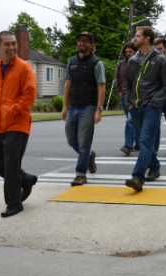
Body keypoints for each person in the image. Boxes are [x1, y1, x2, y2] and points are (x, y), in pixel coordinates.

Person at [0, 30, 38, 218]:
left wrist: (12, 111)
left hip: (18, 123)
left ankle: (14, 203)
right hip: (0, 123)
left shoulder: (24, 68)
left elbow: (29, 95)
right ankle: (25, 179)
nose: (11, 47)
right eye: (7, 44)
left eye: (14, 43)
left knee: (10, 166)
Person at [123, 26, 166, 191]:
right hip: (135, 107)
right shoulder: (132, 61)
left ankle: (137, 177)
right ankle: (155, 167)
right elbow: (127, 84)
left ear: (146, 39)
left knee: (144, 141)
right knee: (146, 142)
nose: (134, 38)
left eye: (137, 36)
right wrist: (130, 102)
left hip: (152, 107)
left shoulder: (160, 59)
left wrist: (154, 102)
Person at [62, 31, 105, 186]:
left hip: (88, 107)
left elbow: (101, 87)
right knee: (70, 139)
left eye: (86, 41)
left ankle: (80, 174)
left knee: (84, 142)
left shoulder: (96, 63)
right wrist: (64, 106)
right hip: (73, 106)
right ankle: (89, 156)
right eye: (80, 40)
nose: (82, 43)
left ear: (91, 45)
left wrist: (99, 109)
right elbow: (67, 84)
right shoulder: (71, 62)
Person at [117, 42, 140, 156]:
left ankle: (128, 146)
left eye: (130, 51)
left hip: (136, 97)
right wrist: (120, 91)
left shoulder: (139, 63)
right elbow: (118, 78)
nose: (128, 54)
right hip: (124, 97)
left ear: (135, 51)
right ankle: (139, 143)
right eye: (126, 52)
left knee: (130, 120)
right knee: (133, 121)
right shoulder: (121, 64)